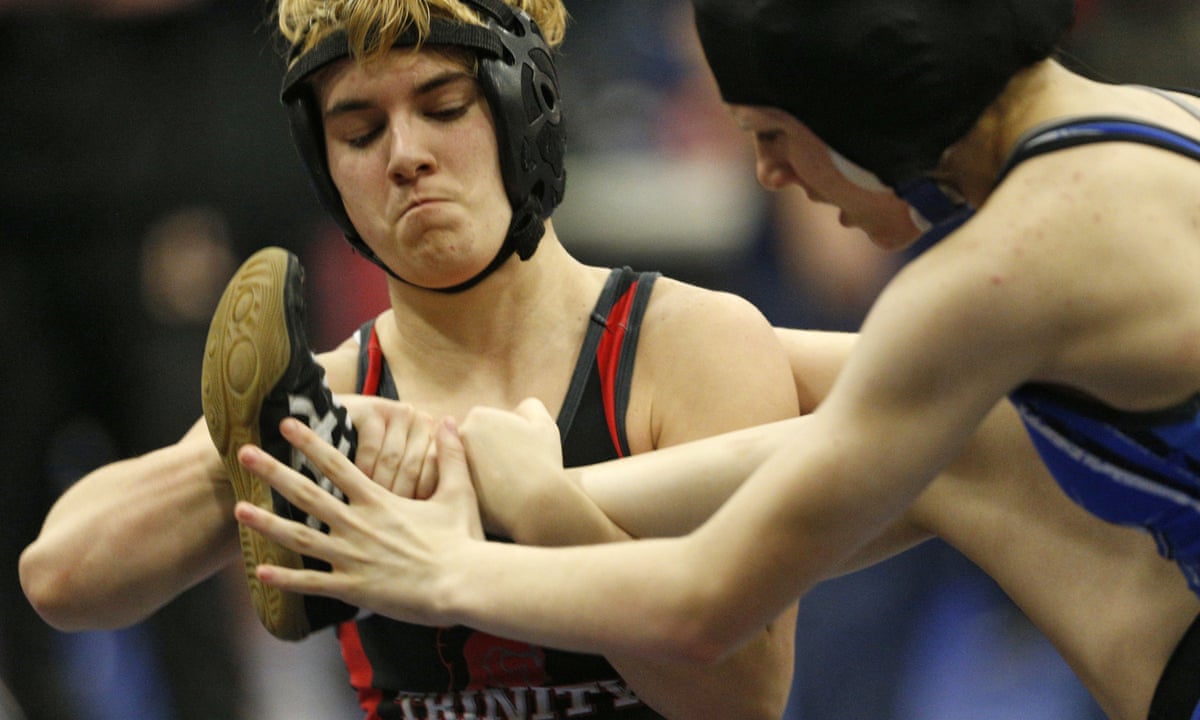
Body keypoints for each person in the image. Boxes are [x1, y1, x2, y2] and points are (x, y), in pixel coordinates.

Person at [216, 0, 1200, 719]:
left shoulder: (991, 280)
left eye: (772, 136)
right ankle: (450, 485)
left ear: (854, 101)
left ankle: (413, 512)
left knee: (956, 453)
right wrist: (471, 454)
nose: (769, 174)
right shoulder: (1161, 126)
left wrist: (437, 567)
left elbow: (702, 609)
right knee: (967, 444)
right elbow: (874, 382)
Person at [17, 1, 802, 718]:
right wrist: (287, 440)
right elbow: (61, 578)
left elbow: (743, 701)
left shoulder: (688, 346)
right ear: (324, 169)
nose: (404, 155)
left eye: (444, 107)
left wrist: (543, 511)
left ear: (526, 106)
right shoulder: (334, 392)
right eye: (359, 133)